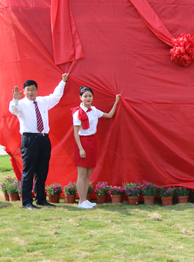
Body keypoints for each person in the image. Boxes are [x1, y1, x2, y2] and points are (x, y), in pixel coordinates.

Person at [10, 73, 69, 210]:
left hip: (43, 139)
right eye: (28, 90)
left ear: (37, 90)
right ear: (24, 92)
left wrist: (63, 82)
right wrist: (15, 100)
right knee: (29, 171)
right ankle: (27, 202)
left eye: (33, 89)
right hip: (29, 139)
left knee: (42, 171)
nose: (30, 92)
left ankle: (41, 199)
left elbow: (56, 97)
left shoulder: (42, 101)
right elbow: (13, 110)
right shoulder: (21, 104)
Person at [72, 86, 120, 209]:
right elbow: (76, 133)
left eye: (90, 96)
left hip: (92, 142)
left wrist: (116, 102)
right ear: (80, 98)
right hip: (82, 142)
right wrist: (81, 148)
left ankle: (85, 200)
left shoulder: (94, 110)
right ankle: (81, 201)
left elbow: (109, 115)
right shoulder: (78, 113)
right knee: (82, 174)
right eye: (85, 96)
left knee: (88, 174)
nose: (88, 98)